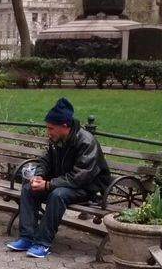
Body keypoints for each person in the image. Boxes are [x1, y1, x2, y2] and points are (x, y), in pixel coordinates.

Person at [7, 97, 111, 258]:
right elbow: (45, 161)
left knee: (57, 195)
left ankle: (42, 243)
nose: (48, 132)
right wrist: (39, 177)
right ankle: (27, 237)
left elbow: (80, 177)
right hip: (62, 184)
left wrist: (48, 185)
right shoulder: (56, 139)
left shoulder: (86, 142)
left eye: (51, 128)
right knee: (28, 189)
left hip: (88, 189)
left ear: (65, 126)